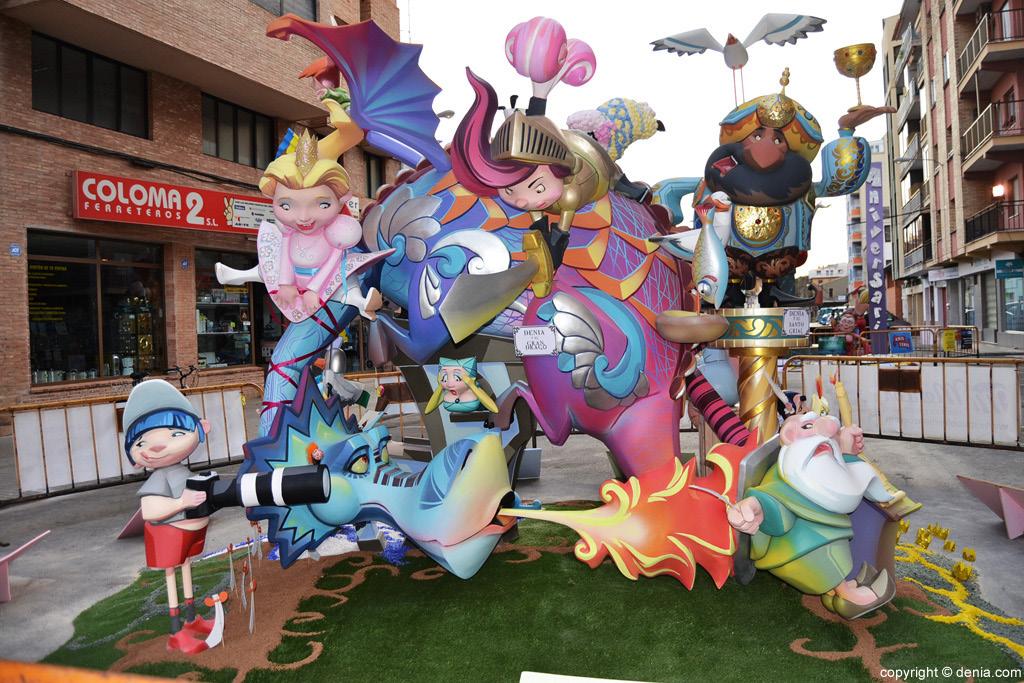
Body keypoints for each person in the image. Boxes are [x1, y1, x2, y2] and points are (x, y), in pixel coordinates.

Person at [727, 411, 899, 619]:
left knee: (829, 551)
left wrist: (846, 450)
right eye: (808, 427)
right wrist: (757, 506)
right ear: (789, 436)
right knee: (822, 550)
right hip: (802, 548)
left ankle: (834, 592)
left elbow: (840, 484)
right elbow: (775, 498)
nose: (827, 432)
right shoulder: (790, 470)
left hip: (823, 532)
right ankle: (851, 598)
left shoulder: (809, 467)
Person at [258, 99, 383, 322]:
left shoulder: (333, 234)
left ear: (341, 199)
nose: (303, 217)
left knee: (344, 284)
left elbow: (333, 262)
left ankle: (361, 302)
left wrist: (314, 290)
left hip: (323, 281)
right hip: (298, 285)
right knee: (268, 265)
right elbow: (284, 257)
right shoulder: (288, 232)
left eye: (322, 205)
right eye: (286, 206)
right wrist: (286, 284)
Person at [124, 380, 214, 653]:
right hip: (169, 533)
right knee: (172, 575)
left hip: (188, 533)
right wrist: (180, 503)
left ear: (202, 428)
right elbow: (150, 510)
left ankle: (191, 618)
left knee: (186, 567)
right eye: (142, 442)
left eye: (175, 433)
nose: (157, 446)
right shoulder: (158, 479)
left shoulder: (182, 472)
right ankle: (176, 631)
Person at [424, 357, 499, 414]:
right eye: (445, 377)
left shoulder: (475, 388)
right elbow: (428, 410)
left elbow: (494, 409)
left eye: (457, 378)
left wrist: (472, 385)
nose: (449, 384)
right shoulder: (446, 392)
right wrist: (440, 386)